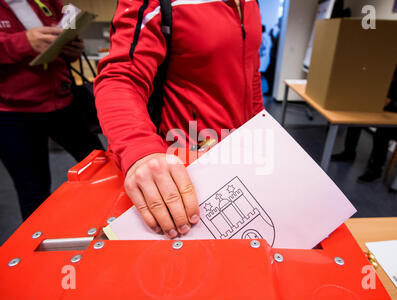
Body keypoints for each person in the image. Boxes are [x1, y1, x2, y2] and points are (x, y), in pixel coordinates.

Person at [94, 0, 264, 238]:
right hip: (184, 169)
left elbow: (250, 72)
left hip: (238, 162)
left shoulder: (251, 3)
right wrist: (141, 151)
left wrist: (260, 130)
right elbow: (121, 78)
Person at [0, 0, 104, 221]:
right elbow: (19, 45)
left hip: (62, 102)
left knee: (102, 164)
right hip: (13, 114)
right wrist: (23, 42)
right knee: (34, 193)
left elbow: (60, 37)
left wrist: (72, 49)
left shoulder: (44, 2)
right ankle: (36, 248)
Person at [332, 53, 397, 183]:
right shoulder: (392, 76)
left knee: (383, 131)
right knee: (356, 121)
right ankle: (348, 153)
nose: (394, 81)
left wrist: (391, 104)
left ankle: (375, 170)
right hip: (394, 115)